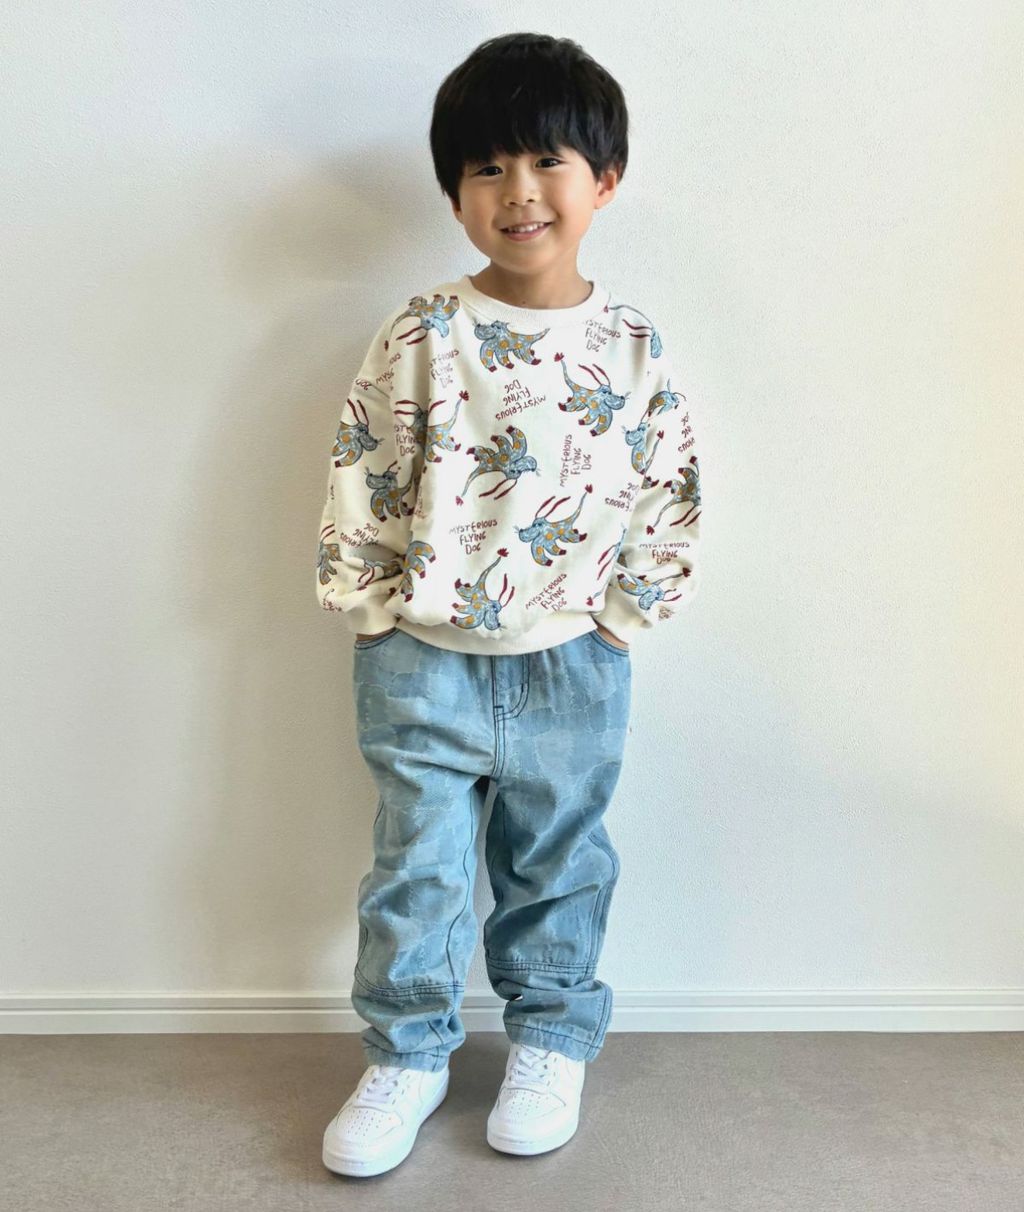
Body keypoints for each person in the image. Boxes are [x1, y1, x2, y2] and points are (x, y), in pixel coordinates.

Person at [318, 31, 703, 1178]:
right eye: (486, 168)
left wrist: (624, 616)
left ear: (604, 180)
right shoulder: (423, 331)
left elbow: (670, 486)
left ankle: (548, 1040)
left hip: (573, 659)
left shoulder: (628, 345)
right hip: (420, 655)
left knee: (558, 859)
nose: (518, 191)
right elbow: (364, 462)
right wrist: (368, 607)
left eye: (546, 162)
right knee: (416, 866)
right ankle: (406, 1054)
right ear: (454, 195)